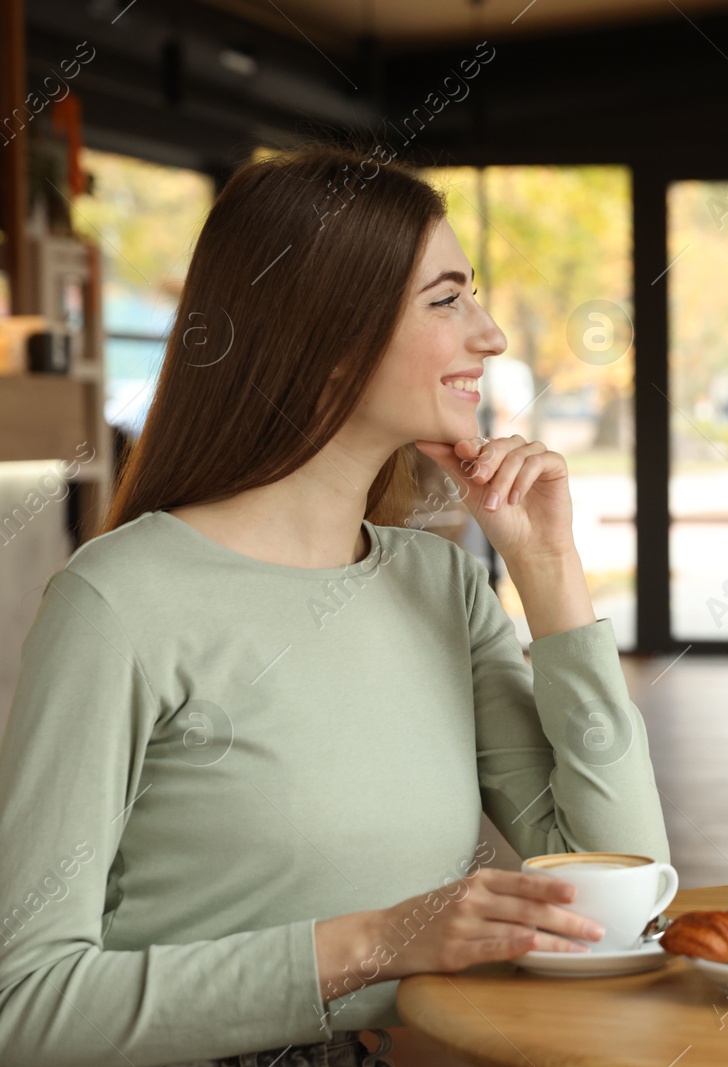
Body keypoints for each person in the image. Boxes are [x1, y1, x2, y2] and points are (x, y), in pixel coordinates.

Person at [0, 146, 668, 1067]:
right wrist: (370, 945)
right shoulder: (119, 603)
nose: (491, 335)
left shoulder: (440, 585)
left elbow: (624, 893)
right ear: (331, 332)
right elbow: (23, 1006)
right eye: (447, 300)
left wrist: (551, 575)